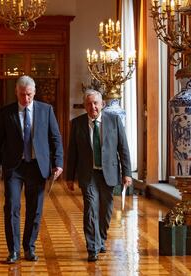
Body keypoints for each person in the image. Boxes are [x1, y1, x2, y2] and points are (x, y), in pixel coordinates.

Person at [0, 75, 64, 264]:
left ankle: (29, 248)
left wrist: (58, 162)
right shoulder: (6, 112)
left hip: (38, 167)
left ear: (34, 93)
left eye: (29, 95)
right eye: (22, 95)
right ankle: (13, 251)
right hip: (14, 167)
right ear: (16, 92)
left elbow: (55, 138)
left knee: (35, 210)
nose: (26, 99)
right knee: (12, 207)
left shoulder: (46, 110)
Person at [66, 89, 132, 262]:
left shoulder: (114, 120)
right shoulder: (77, 123)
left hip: (108, 174)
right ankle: (92, 247)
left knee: (106, 210)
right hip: (88, 174)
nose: (92, 107)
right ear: (84, 106)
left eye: (95, 103)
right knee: (90, 209)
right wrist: (69, 177)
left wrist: (127, 173)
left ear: (102, 104)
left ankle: (101, 238)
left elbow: (123, 148)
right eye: (88, 104)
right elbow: (72, 152)